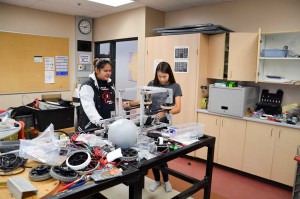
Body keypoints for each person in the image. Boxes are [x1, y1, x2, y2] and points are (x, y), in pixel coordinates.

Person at [124, 61, 182, 192]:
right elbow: (144, 100)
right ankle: (156, 180)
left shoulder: (175, 86)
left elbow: (178, 108)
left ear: (169, 75)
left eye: (164, 76)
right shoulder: (151, 84)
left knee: (161, 153)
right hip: (150, 123)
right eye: (159, 76)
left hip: (163, 124)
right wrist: (130, 103)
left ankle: (166, 181)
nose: (161, 79)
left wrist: (165, 111)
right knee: (152, 154)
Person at [78, 59, 115, 131]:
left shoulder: (110, 84)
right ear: (97, 70)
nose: (108, 73)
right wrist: (100, 122)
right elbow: (89, 107)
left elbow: (112, 102)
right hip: (91, 127)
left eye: (110, 71)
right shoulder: (87, 85)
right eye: (105, 71)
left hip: (107, 124)